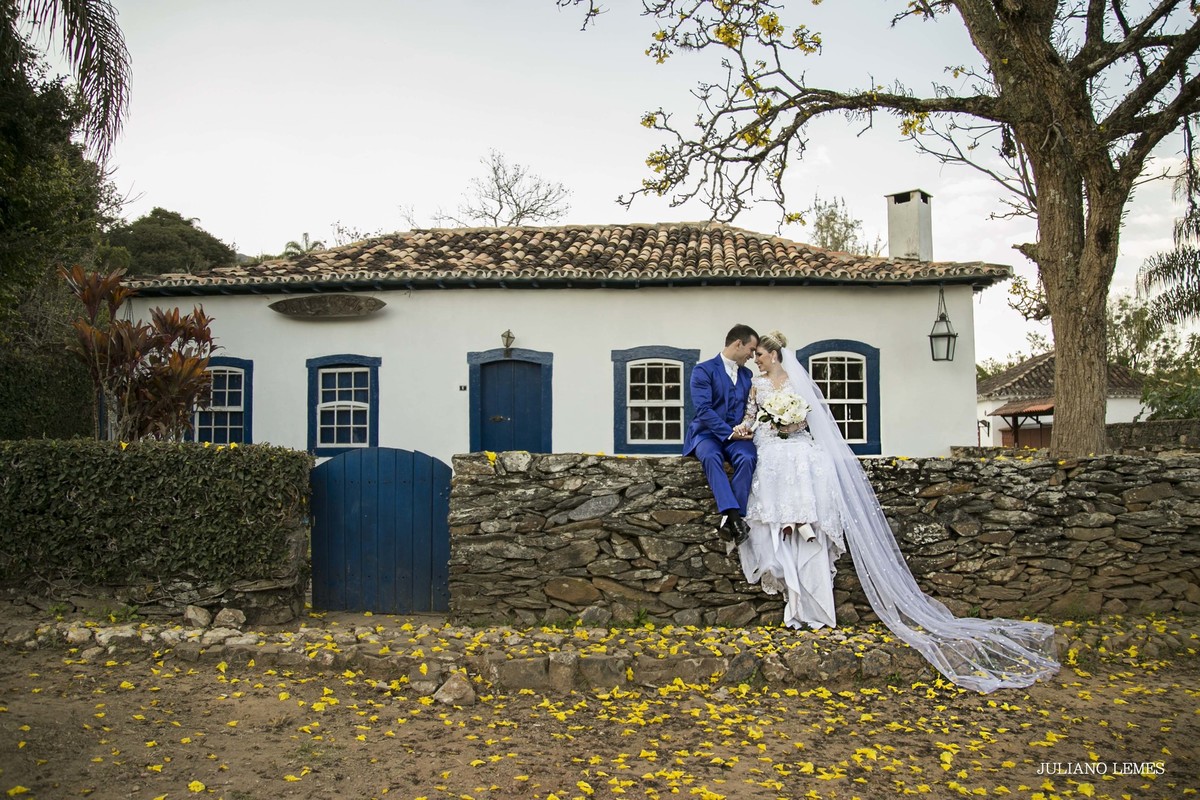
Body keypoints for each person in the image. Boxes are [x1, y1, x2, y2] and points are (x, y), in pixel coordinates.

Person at [735, 330, 1060, 693]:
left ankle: (814, 603)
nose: (756, 360)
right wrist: (745, 429)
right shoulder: (755, 385)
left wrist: (791, 424)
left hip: (798, 449)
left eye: (760, 355)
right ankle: (793, 601)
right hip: (771, 451)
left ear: (775, 355)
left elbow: (811, 421)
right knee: (777, 517)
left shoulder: (798, 381)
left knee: (806, 508)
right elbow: (751, 418)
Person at [683, 324, 759, 545]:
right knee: (710, 456)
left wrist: (744, 429)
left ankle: (730, 519)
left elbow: (749, 408)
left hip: (737, 436)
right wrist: (728, 434)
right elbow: (703, 410)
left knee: (748, 457)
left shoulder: (747, 374)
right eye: (751, 350)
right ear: (738, 344)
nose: (752, 356)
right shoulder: (703, 370)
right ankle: (735, 517)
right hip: (706, 434)